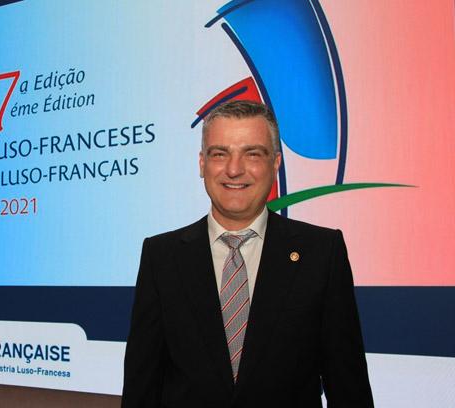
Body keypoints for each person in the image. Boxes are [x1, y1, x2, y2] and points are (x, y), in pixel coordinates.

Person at [121, 100, 374, 407]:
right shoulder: (161, 257)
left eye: (252, 154)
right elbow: (141, 387)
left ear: (275, 163)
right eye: (220, 154)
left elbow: (349, 387)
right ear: (202, 163)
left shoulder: (322, 253)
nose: (234, 169)